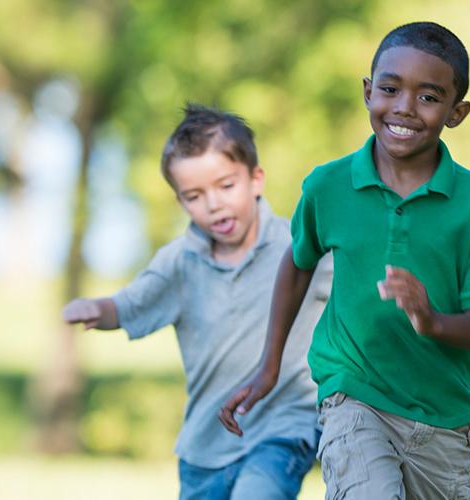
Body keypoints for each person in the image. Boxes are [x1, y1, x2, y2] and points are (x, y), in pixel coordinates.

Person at [217, 21, 470, 499]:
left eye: (428, 97)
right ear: (368, 91)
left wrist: (430, 318)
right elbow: (297, 265)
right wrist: (269, 366)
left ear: (457, 113)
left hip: (444, 419)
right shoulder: (327, 187)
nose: (404, 108)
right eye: (391, 89)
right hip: (353, 395)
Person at [63, 104, 328, 499]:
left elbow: (359, 282)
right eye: (194, 195)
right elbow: (130, 304)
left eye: (226, 186)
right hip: (206, 444)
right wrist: (98, 310)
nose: (214, 204)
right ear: (181, 203)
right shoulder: (179, 264)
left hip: (284, 428)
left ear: (256, 179)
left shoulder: (299, 247)